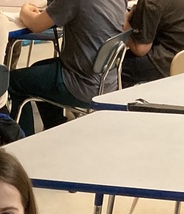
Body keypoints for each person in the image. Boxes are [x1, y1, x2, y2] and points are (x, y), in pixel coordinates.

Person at [8, 0, 127, 135]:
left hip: (80, 83)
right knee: (38, 70)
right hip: (108, 81)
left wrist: (25, 10)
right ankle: (56, 128)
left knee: (14, 81)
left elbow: (36, 25)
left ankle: (23, 140)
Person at [120, 0, 184, 87]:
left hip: (174, 62)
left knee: (114, 69)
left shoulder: (151, 3)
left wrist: (123, 23)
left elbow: (140, 49)